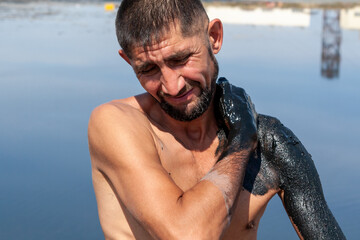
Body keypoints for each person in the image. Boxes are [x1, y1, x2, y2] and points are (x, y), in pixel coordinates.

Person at [88, 0, 346, 239]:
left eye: (180, 59)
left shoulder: (269, 143)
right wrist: (242, 139)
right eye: (148, 69)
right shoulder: (118, 124)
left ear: (214, 37)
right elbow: (189, 234)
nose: (172, 86)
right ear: (128, 61)